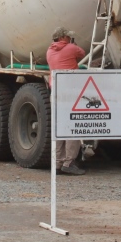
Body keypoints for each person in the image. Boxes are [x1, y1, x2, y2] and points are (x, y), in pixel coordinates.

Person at [47, 27, 87, 175]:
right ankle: (69, 162)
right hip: (70, 92)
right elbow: (82, 53)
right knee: (72, 126)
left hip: (55, 91)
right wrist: (73, 45)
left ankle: (57, 163)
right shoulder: (71, 48)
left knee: (59, 128)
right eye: (68, 37)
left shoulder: (49, 51)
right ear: (63, 37)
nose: (70, 39)